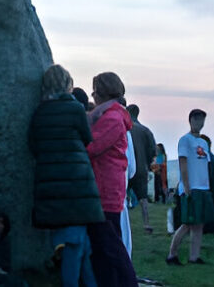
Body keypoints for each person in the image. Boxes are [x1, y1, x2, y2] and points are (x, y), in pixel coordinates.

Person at [27, 64, 102, 287]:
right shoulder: (75, 109)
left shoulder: (39, 112)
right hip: (77, 181)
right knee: (76, 244)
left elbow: (32, 145)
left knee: (81, 243)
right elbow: (87, 138)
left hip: (50, 183)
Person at [83, 72, 137, 286]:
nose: (93, 95)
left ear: (103, 93)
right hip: (105, 188)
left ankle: (128, 283)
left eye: (95, 91)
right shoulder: (110, 116)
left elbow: (92, 147)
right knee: (104, 248)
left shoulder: (112, 119)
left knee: (111, 247)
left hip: (106, 191)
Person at [165, 109, 214, 266]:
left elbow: (206, 164)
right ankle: (172, 254)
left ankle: (194, 256)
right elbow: (183, 163)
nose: (199, 123)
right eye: (197, 119)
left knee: (199, 224)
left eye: (202, 120)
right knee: (188, 223)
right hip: (191, 186)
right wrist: (186, 186)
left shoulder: (204, 143)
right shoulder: (185, 140)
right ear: (191, 120)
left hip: (203, 186)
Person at [126, 104, 156, 234]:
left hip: (126, 169)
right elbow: (152, 151)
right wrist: (147, 164)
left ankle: (125, 224)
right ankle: (146, 223)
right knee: (143, 198)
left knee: (124, 196)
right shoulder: (145, 130)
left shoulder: (124, 128)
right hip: (141, 169)